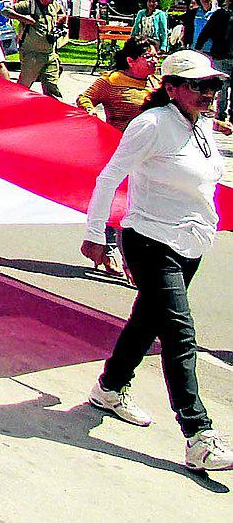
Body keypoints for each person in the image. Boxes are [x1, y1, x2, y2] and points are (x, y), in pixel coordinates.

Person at [81, 50, 232, 473]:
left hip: (190, 243)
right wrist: (96, 234)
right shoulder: (151, 125)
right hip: (150, 241)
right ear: (171, 88)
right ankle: (198, 436)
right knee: (180, 334)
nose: (208, 93)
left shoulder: (201, 126)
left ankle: (109, 388)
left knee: (146, 322)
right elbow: (109, 177)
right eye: (198, 85)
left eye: (212, 85)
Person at [76, 36, 161, 278]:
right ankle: (112, 250)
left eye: (157, 56)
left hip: (150, 156)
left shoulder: (158, 84)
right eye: (148, 57)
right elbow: (84, 98)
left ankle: (134, 257)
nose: (155, 61)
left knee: (139, 206)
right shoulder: (112, 81)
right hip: (118, 150)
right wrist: (91, 112)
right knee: (119, 205)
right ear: (131, 60)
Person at [6, 0, 68, 98]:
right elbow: (5, 11)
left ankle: (52, 108)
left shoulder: (54, 5)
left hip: (50, 54)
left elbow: (62, 14)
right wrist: (24, 18)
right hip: (32, 55)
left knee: (52, 86)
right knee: (23, 87)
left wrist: (60, 23)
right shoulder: (29, 5)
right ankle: (13, 105)